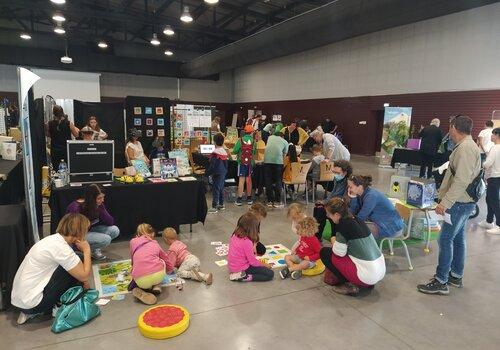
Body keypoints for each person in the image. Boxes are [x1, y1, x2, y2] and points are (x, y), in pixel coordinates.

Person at [417, 115, 481, 295]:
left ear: (455, 128)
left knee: (445, 239)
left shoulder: (466, 149)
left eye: (450, 127)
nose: (449, 131)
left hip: (459, 203)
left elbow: (461, 180)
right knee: (458, 239)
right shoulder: (465, 146)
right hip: (462, 202)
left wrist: (445, 203)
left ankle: (441, 280)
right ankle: (455, 275)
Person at [12, 213, 92, 325]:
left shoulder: (51, 240)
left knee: (72, 263)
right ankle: (57, 305)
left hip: (19, 301)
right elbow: (84, 275)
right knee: (79, 259)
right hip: (34, 304)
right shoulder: (61, 248)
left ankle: (34, 310)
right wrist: (87, 250)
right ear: (79, 231)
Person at [320, 198, 386, 295]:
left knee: (325, 253)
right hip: (379, 271)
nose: (327, 216)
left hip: (366, 275)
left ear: (337, 215)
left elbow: (339, 253)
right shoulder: (357, 219)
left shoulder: (343, 225)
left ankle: (350, 285)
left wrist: (333, 240)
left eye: (328, 214)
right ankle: (365, 283)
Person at [67, 184, 120, 260]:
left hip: (87, 231)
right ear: (90, 198)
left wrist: (101, 208)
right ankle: (80, 251)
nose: (102, 200)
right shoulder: (75, 207)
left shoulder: (96, 205)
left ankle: (93, 250)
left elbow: (110, 222)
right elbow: (73, 232)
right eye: (99, 198)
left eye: (103, 197)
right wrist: (80, 245)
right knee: (106, 239)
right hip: (75, 236)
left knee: (115, 230)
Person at [129, 224, 174, 305]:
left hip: (141, 280)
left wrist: (133, 268)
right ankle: (157, 286)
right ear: (153, 234)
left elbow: (133, 259)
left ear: (138, 234)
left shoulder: (132, 242)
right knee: (160, 261)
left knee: (141, 276)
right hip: (158, 276)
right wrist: (170, 270)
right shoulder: (155, 244)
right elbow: (166, 259)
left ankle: (143, 289)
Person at [228, 212, 274, 282]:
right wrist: (264, 265)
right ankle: (245, 277)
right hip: (241, 268)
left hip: (232, 266)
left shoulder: (235, 234)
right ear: (252, 228)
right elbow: (253, 262)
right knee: (270, 274)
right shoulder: (247, 241)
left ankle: (238, 274)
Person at [479, 127, 500, 234]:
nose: (491, 136)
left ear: (497, 136)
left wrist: (481, 165)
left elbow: (488, 163)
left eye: (493, 134)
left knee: (494, 201)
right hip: (497, 177)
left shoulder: (495, 148)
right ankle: (489, 220)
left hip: (494, 177)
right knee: (489, 199)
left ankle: (499, 226)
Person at [46, 105, 79, 170]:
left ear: (53, 113)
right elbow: (76, 135)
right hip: (66, 150)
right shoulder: (69, 123)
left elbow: (49, 135)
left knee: (56, 169)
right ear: (62, 112)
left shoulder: (49, 124)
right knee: (67, 168)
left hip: (55, 150)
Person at [263, 131, 289, 208]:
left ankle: (270, 201)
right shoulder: (284, 141)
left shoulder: (269, 138)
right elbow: (285, 153)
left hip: (267, 161)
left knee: (268, 180)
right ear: (282, 136)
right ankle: (277, 201)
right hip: (278, 162)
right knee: (278, 180)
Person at [232, 124, 256, 206]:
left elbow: (234, 151)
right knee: (249, 180)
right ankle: (249, 199)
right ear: (251, 132)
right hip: (250, 163)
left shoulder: (240, 140)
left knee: (241, 180)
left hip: (241, 162)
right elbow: (254, 152)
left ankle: (239, 199)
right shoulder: (254, 141)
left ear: (244, 132)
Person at [206, 133, 228, 213]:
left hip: (216, 173)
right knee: (221, 188)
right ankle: (221, 204)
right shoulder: (224, 151)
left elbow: (212, 165)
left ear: (214, 142)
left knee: (216, 189)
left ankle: (214, 206)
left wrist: (207, 173)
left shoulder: (215, 153)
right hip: (223, 172)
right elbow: (226, 164)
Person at [252, 131, 266, 199]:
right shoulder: (252, 142)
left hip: (261, 162)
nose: (259, 136)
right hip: (253, 162)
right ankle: (256, 187)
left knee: (260, 170)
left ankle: (259, 188)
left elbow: (263, 153)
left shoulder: (262, 142)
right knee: (257, 170)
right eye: (258, 135)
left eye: (260, 135)